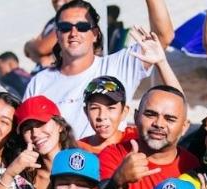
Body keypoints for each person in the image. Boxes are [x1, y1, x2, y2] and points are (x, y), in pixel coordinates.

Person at [23, 0, 175, 138]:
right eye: (65, 27)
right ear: (57, 34)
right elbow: (26, 130)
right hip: (59, 168)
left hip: (110, 165)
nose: (73, 33)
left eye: (82, 27)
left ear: (95, 34)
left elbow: (163, 37)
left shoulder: (118, 65)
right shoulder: (39, 82)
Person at [98, 85, 198, 189]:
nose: (158, 124)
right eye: (150, 114)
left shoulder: (191, 166)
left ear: (184, 127)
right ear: (136, 116)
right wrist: (118, 182)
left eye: (170, 119)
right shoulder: (114, 155)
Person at [77, 76, 135, 154]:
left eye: (111, 108)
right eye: (94, 108)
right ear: (86, 112)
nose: (102, 116)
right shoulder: (77, 151)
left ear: (124, 112)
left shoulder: (136, 139)